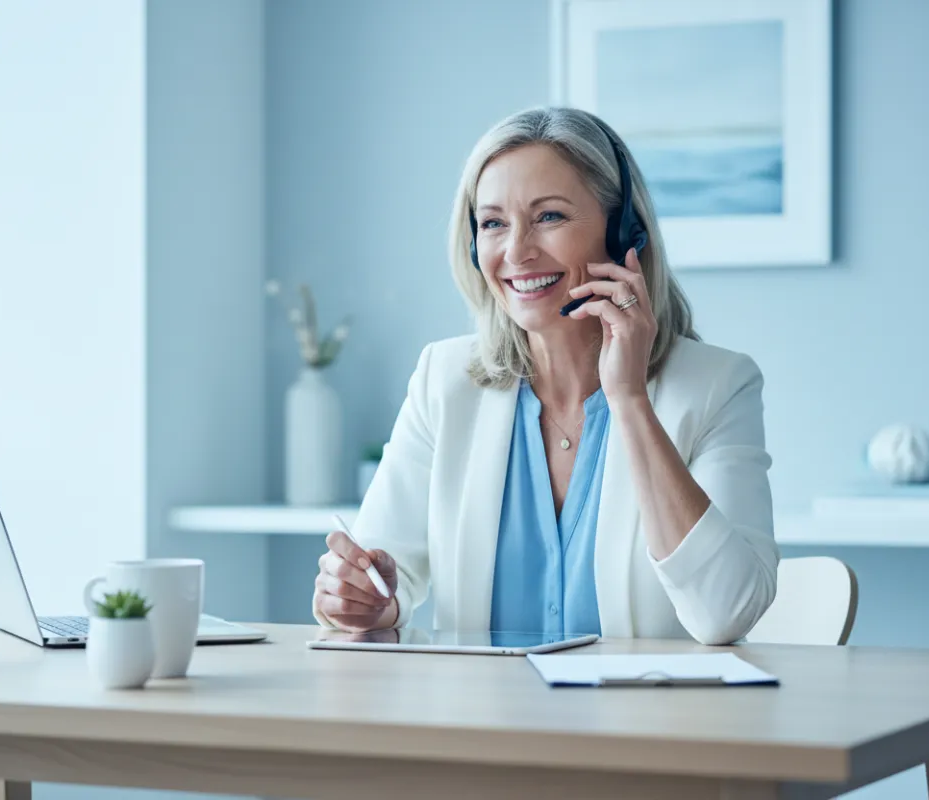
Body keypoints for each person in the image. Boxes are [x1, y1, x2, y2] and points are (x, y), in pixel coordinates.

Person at [312, 106, 778, 645]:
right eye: (492, 224)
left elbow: (727, 612)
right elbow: (380, 581)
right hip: (483, 726)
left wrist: (628, 398)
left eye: (550, 217)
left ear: (624, 230)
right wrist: (365, 602)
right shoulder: (444, 381)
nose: (516, 252)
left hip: (645, 726)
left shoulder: (719, 385)